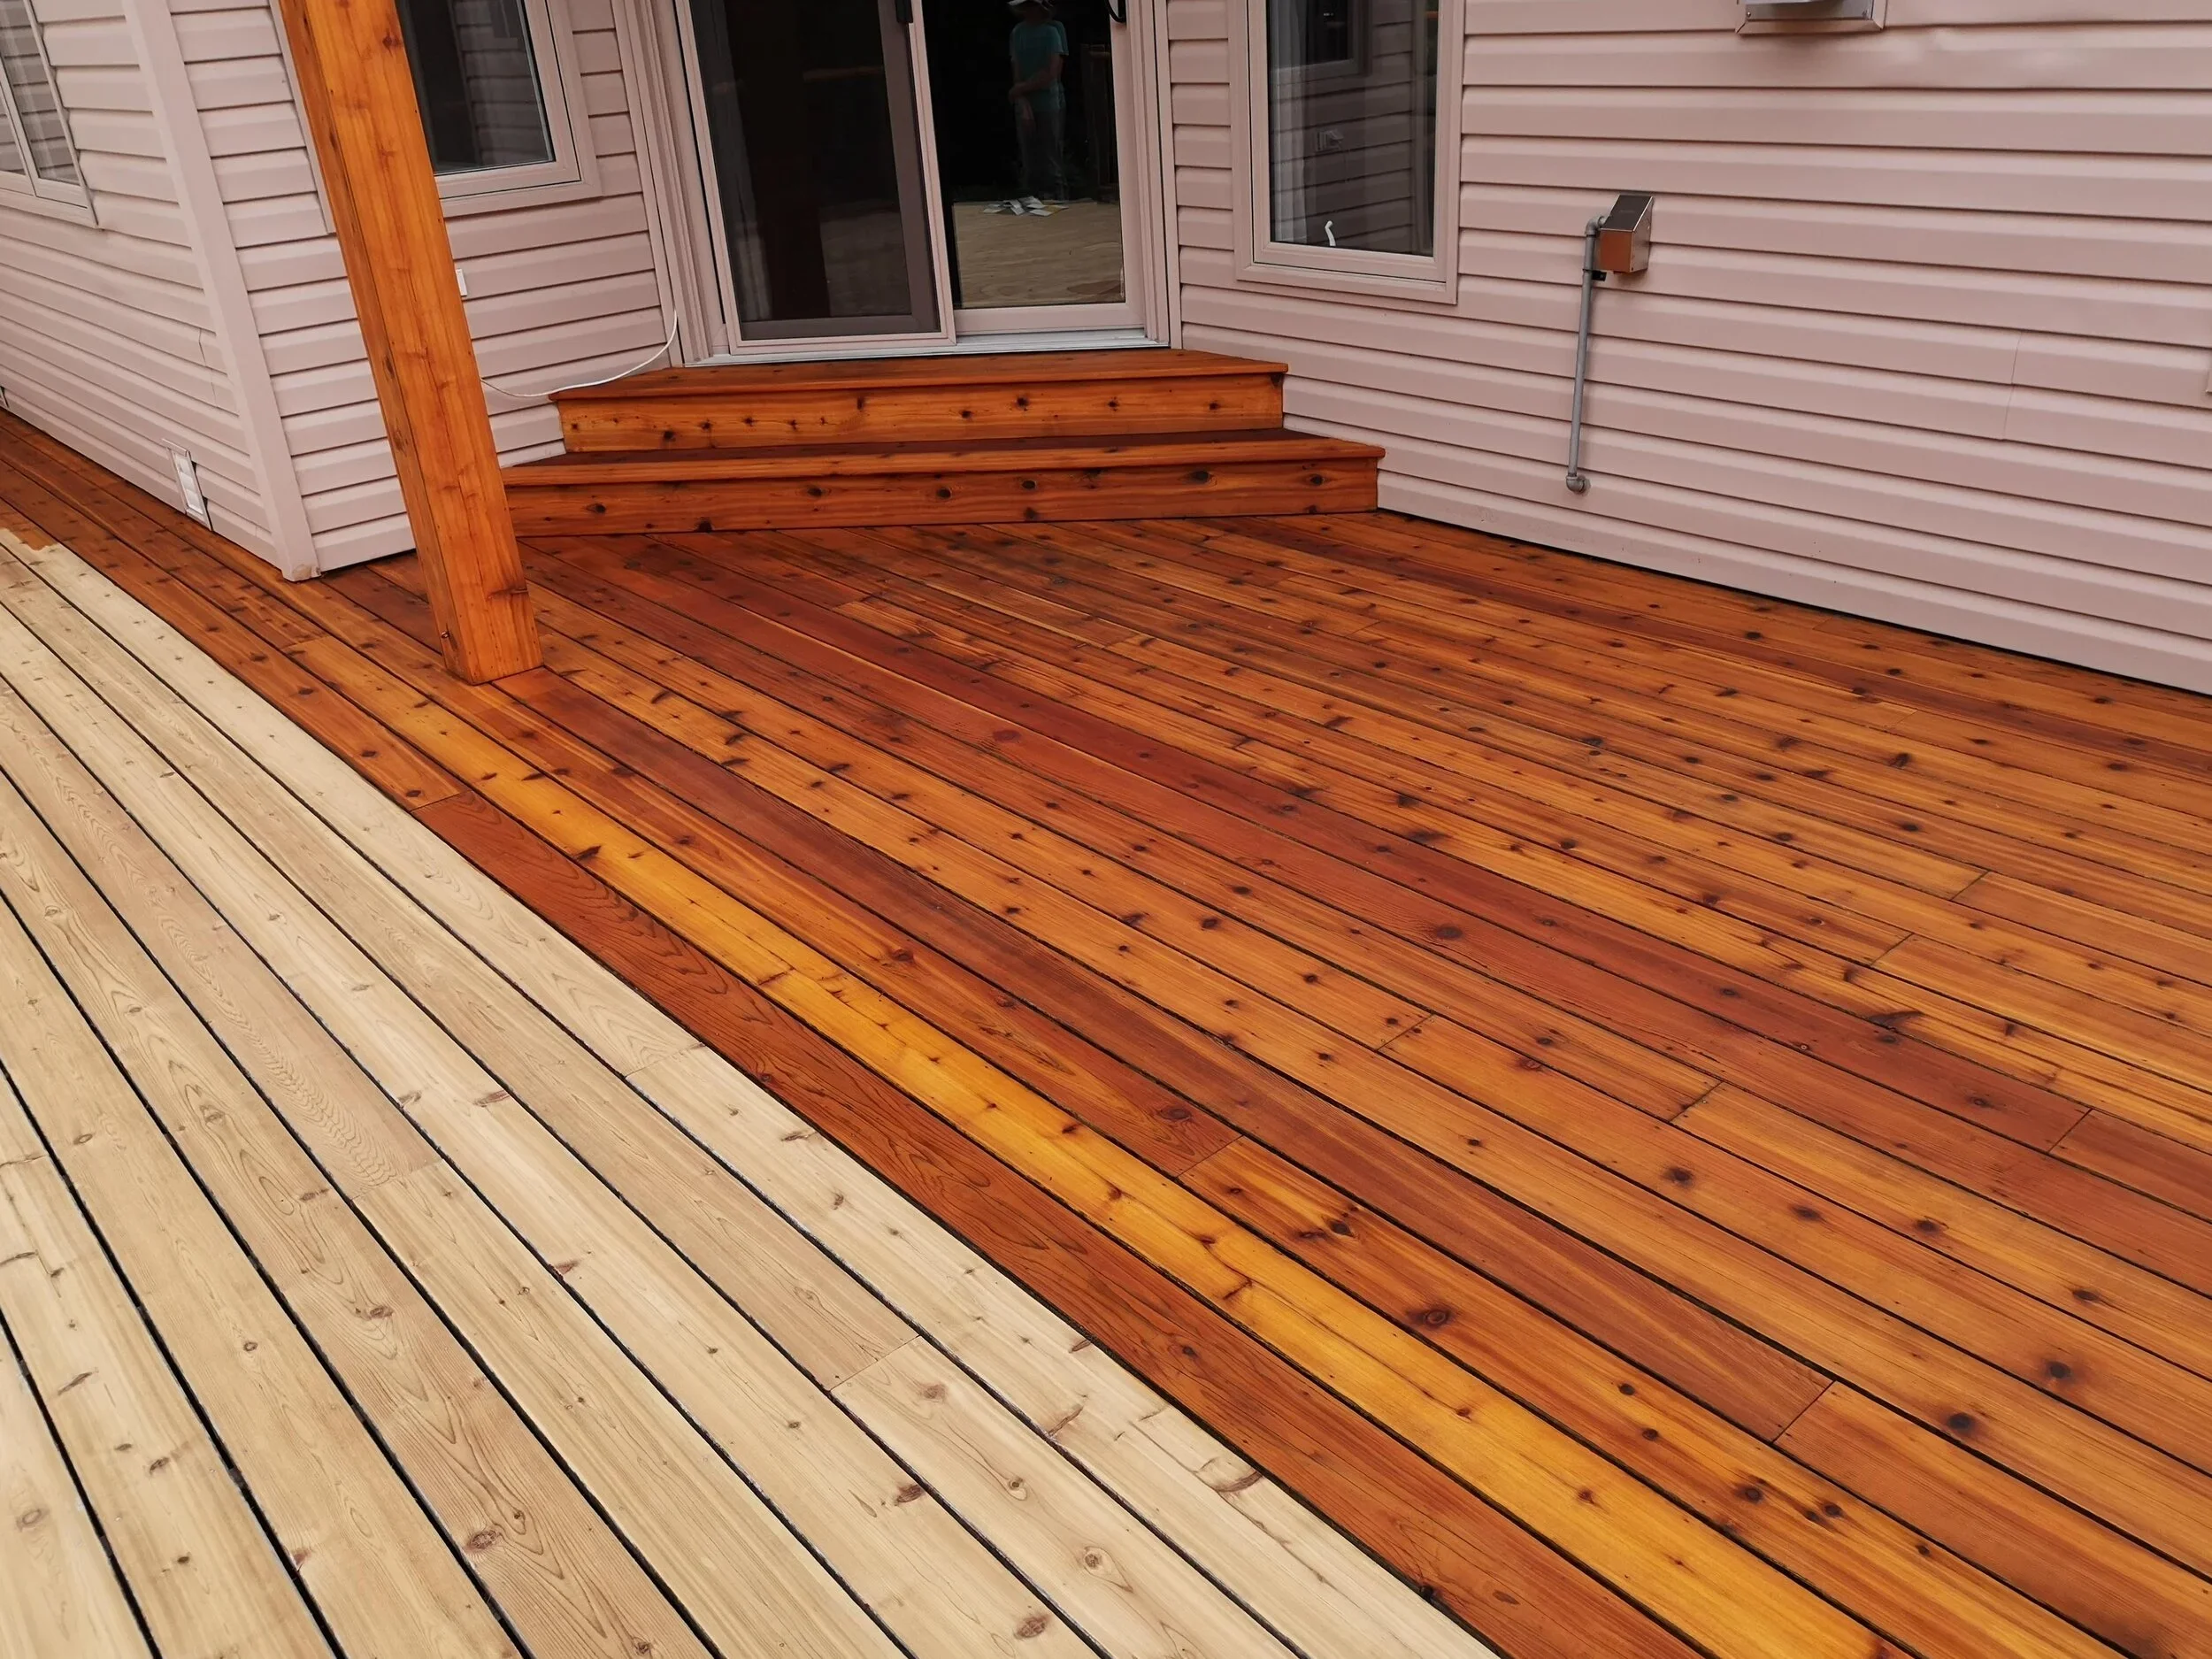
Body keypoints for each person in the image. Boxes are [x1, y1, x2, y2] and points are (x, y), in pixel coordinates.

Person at [1007, 0, 1067, 209]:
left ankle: (1059, 204)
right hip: (1026, 104)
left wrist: (1020, 90)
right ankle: (1034, 207)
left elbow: (1051, 74)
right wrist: (1022, 103)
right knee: (1030, 162)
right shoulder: (1017, 32)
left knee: (1051, 161)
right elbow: (1017, 72)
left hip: (1049, 104)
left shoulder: (1052, 32)